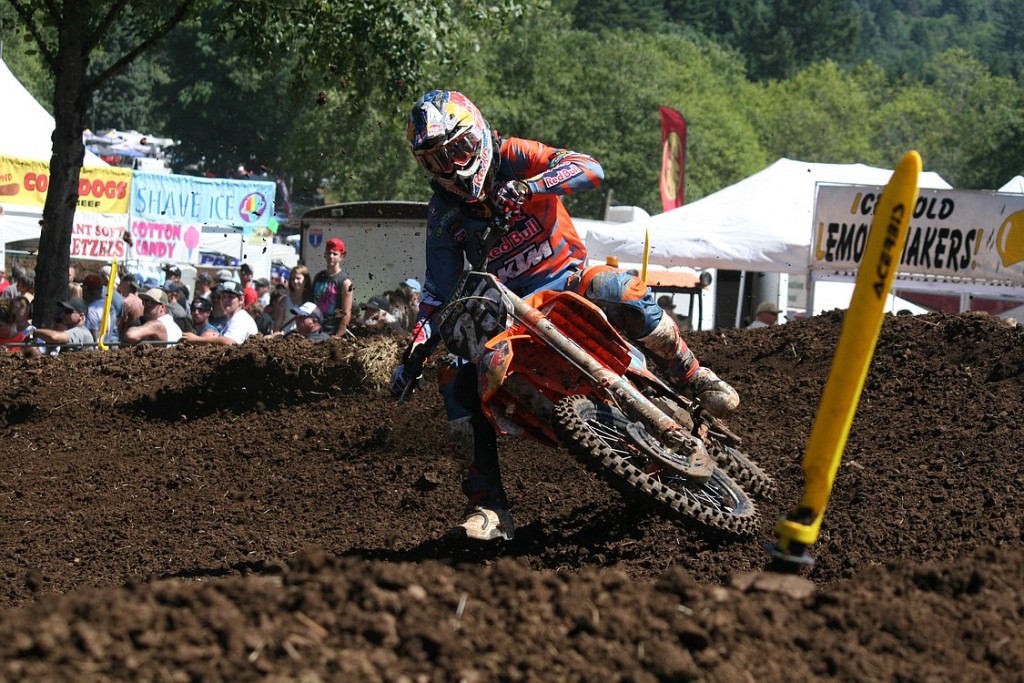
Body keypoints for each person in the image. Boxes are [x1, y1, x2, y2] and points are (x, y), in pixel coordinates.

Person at [389, 90, 739, 542]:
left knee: (620, 289)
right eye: (438, 161)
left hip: (568, 279)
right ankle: (488, 507)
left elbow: (590, 167)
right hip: (511, 314)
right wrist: (412, 352)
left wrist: (532, 186)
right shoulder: (443, 215)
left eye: (458, 150)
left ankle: (693, 375)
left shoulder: (513, 156)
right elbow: (438, 291)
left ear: (476, 134)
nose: (454, 167)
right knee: (454, 373)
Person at [181, 281, 258, 345]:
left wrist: (197, 339)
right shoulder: (234, 318)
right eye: (223, 296)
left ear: (241, 300)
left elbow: (229, 342)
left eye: (230, 297)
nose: (225, 300)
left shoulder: (241, 319)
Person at [312, 238, 354, 337]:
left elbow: (347, 313)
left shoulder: (345, 282)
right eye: (329, 253)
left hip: (331, 331)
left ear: (342, 256)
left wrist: (337, 337)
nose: (331, 256)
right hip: (315, 329)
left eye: (335, 254)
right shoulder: (318, 277)